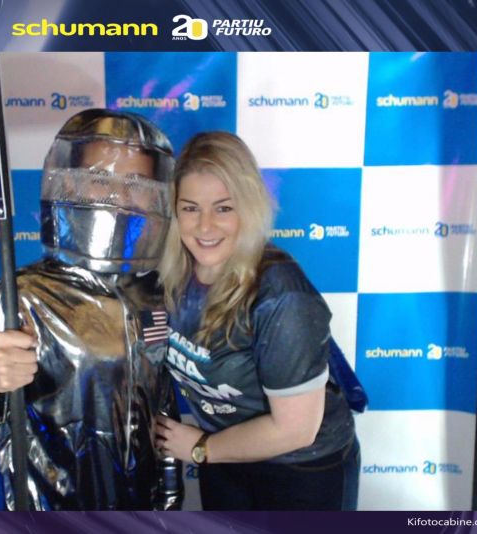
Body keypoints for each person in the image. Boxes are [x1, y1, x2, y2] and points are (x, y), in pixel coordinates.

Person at [0, 109, 183, 511]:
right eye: (101, 180)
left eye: (136, 183)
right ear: (69, 185)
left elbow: (162, 415)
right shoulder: (22, 297)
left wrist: (170, 502)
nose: (119, 198)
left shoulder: (154, 294)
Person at [153, 132, 360, 511]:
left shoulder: (281, 295)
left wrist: (201, 448)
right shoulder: (173, 272)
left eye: (223, 208)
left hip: (300, 469)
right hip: (225, 456)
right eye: (190, 208)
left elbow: (296, 430)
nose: (205, 226)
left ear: (248, 207)